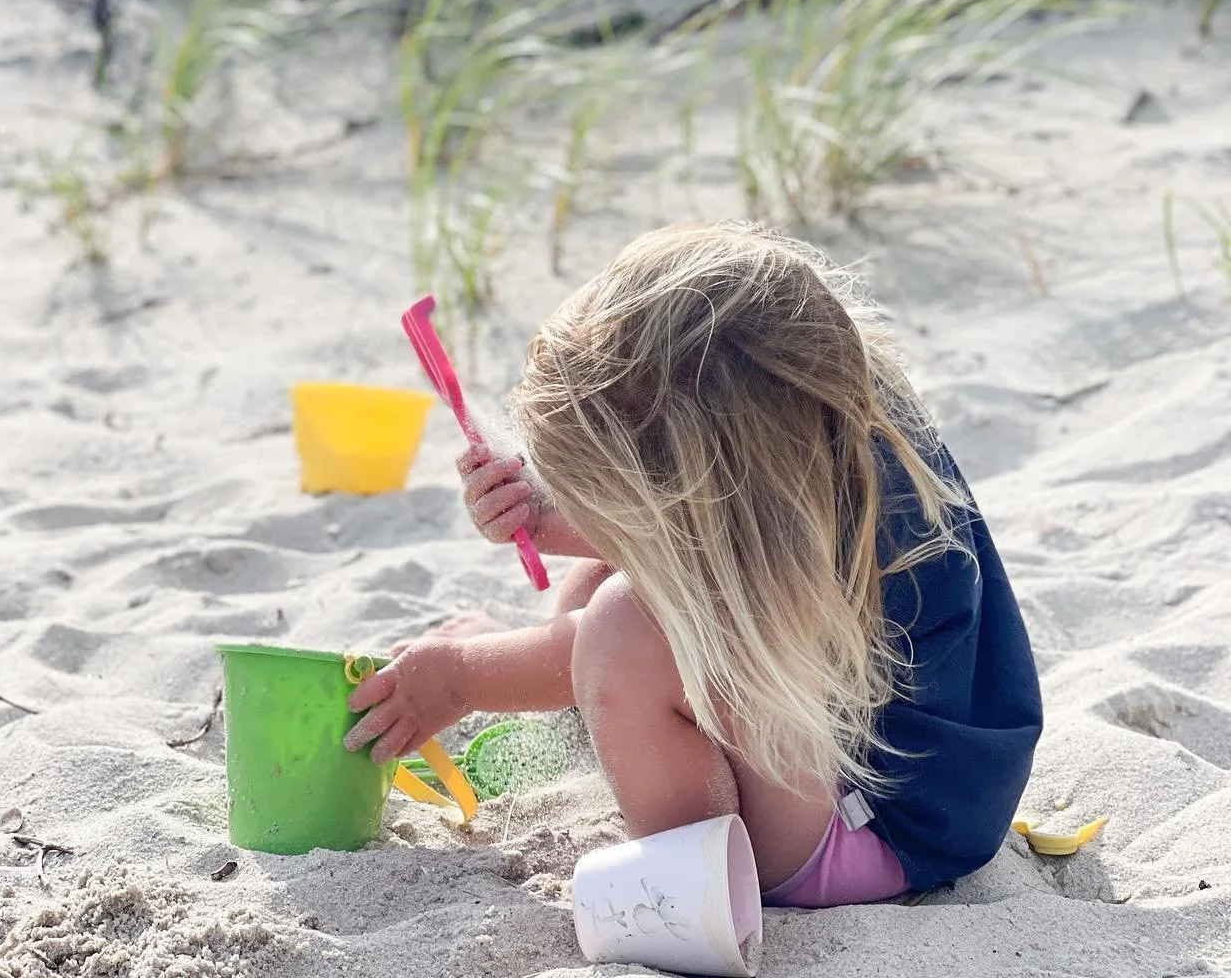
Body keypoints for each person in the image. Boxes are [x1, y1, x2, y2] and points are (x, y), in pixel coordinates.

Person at [345, 222, 1042, 904]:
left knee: (621, 629)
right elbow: (694, 543)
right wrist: (550, 519)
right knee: (606, 587)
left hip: (878, 826)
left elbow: (622, 637)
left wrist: (460, 679)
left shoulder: (791, 510)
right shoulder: (820, 427)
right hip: (917, 779)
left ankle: (691, 882)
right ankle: (598, 721)